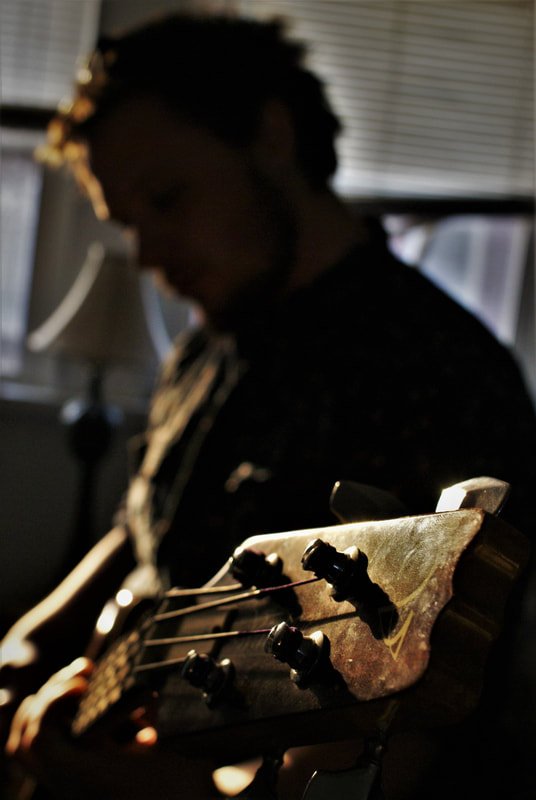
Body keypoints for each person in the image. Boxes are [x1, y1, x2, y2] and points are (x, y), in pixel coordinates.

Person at [1, 11, 535, 800]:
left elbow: (422, 726)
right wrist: (22, 648)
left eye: (168, 198)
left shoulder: (444, 376)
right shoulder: (206, 340)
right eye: (129, 222)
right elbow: (138, 528)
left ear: (272, 136)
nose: (147, 255)